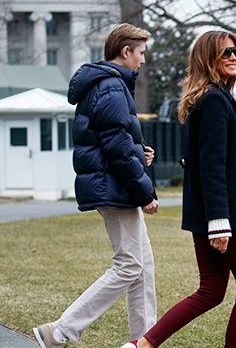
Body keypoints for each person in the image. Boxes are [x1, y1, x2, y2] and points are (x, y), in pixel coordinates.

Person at [120, 31, 236, 348]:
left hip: (217, 212)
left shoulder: (215, 98)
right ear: (207, 58)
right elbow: (212, 165)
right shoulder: (213, 100)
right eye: (225, 52)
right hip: (227, 215)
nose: (233, 57)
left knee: (212, 289)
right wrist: (219, 221)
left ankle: (140, 346)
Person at [33, 23, 159, 348]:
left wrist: (137, 152)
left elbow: (111, 140)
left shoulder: (107, 86)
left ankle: (143, 342)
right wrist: (145, 193)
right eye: (141, 53)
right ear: (126, 51)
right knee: (130, 264)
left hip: (115, 184)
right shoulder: (112, 87)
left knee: (142, 265)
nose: (143, 60)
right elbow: (115, 146)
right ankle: (61, 330)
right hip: (114, 189)